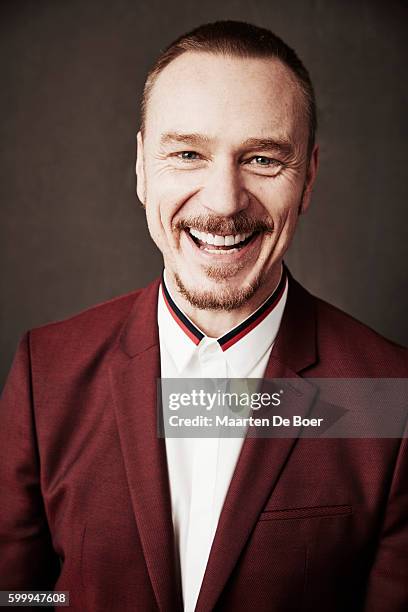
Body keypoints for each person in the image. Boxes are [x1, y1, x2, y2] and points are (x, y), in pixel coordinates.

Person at [0, 20, 407, 612]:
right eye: (188, 153)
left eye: (264, 159)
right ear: (141, 166)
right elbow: (14, 594)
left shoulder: (388, 396)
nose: (224, 202)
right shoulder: (47, 372)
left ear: (309, 178)